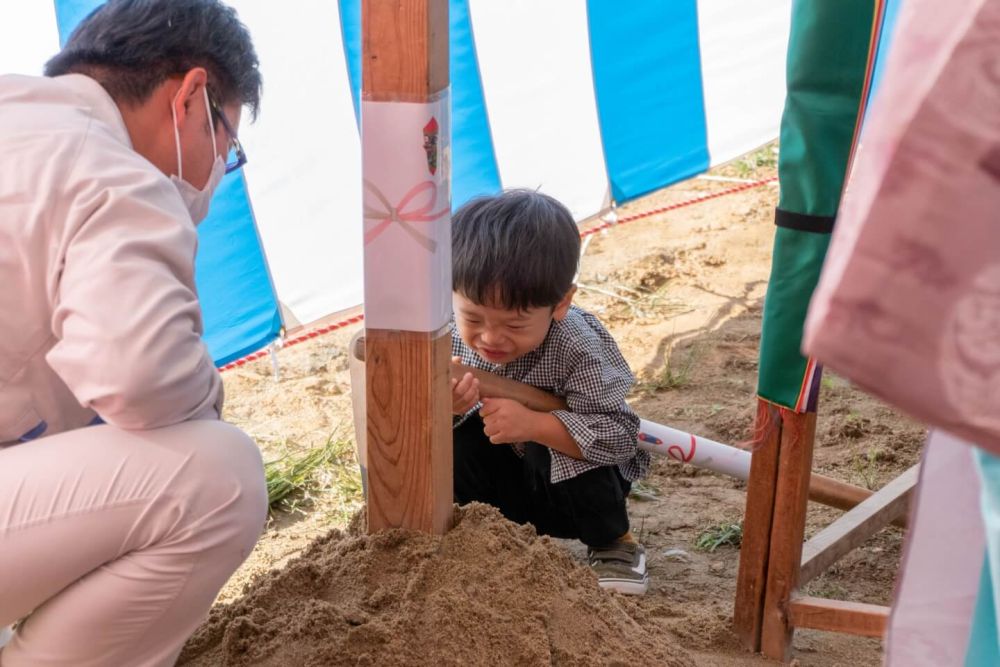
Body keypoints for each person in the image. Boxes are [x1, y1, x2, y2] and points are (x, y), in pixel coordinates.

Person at [0, 1, 268, 664]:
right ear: (191, 96)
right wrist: (208, 396)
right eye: (226, 147)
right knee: (218, 473)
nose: (213, 175)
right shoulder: (114, 172)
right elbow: (139, 373)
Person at [450, 190, 651, 595]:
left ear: (561, 303)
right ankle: (486, 537)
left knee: (553, 438)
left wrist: (536, 425)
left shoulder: (577, 345)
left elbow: (620, 437)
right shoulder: (448, 335)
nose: (490, 337)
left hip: (575, 500)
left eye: (515, 324)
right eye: (473, 317)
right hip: (507, 489)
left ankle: (614, 545)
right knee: (457, 440)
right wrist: (450, 409)